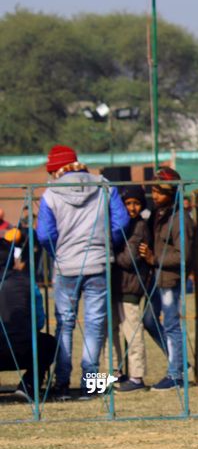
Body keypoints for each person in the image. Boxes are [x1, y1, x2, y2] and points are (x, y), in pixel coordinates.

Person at [36, 145, 129, 400]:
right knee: (95, 324)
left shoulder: (50, 193)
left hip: (66, 266)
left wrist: (58, 252)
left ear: (56, 169)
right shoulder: (104, 186)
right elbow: (121, 222)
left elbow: (44, 234)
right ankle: (91, 382)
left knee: (65, 325)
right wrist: (106, 243)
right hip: (99, 263)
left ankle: (62, 383)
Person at [139, 167, 194, 391]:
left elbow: (183, 256)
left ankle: (175, 375)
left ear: (171, 194)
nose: (155, 195)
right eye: (153, 190)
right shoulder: (158, 214)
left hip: (170, 278)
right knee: (149, 320)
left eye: (160, 192)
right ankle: (180, 362)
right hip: (156, 277)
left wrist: (154, 258)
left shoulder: (180, 219)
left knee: (171, 325)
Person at [0, 234, 54, 402]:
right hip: (24, 350)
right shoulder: (26, 281)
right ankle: (28, 385)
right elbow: (39, 320)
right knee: (49, 343)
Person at [113, 185, 152, 392]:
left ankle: (136, 377)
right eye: (128, 203)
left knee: (133, 332)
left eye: (136, 203)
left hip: (130, 286)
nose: (132, 208)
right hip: (114, 285)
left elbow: (129, 259)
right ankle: (114, 373)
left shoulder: (139, 226)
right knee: (111, 333)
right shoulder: (118, 223)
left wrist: (109, 254)